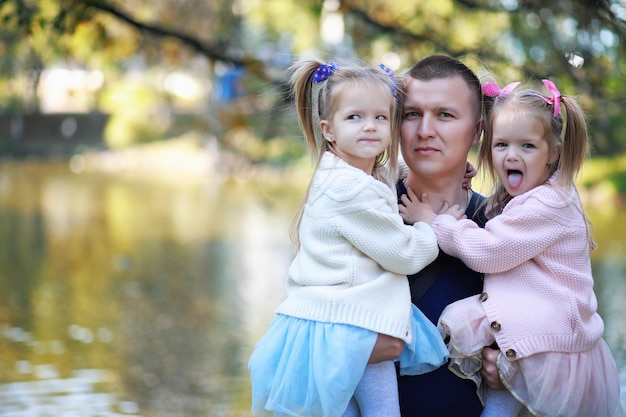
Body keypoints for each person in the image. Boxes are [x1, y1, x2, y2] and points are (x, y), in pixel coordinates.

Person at [400, 79, 623, 416]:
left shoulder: (548, 204)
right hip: (542, 332)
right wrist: (459, 178)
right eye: (501, 144)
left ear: (555, 153)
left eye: (528, 146)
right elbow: (502, 221)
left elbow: (490, 250)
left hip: (551, 347)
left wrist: (435, 222)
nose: (511, 155)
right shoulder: (534, 196)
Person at [248, 58, 452, 417]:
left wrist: (428, 169)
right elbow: (403, 254)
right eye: (354, 117)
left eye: (380, 118)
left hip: (340, 322)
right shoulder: (349, 190)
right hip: (349, 325)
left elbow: (386, 176)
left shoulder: (349, 173)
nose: (369, 127)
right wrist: (432, 226)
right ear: (329, 130)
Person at [386, 54, 492, 416]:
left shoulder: (505, 229)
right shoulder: (364, 213)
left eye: (445, 115)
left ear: (477, 131)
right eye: (412, 114)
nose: (425, 130)